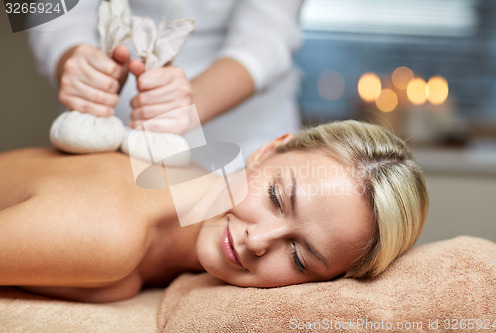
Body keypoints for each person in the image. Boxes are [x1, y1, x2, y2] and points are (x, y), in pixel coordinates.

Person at [0, 120, 428, 302]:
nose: (257, 242)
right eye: (277, 198)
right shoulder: (110, 234)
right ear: (267, 150)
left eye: (298, 257)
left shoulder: (187, 176)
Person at [28, 0, 304, 160]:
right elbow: (53, 8)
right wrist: (77, 60)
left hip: (241, 126)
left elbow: (268, 35)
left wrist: (189, 102)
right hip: (109, 107)